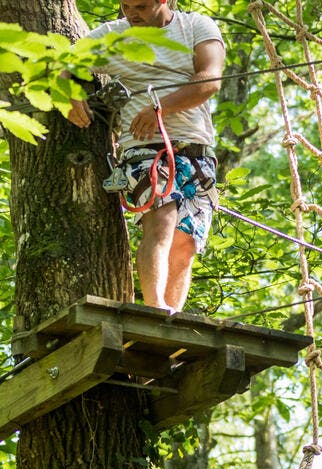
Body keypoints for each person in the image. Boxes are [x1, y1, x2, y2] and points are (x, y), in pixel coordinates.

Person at [66, 0, 225, 312]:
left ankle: (171, 314)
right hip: (143, 147)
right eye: (125, 5)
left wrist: (160, 109)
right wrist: (69, 95)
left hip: (196, 148)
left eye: (140, 5)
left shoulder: (195, 26)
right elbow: (60, 64)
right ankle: (155, 308)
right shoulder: (112, 36)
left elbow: (210, 79)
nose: (131, 13)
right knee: (162, 221)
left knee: (187, 241)